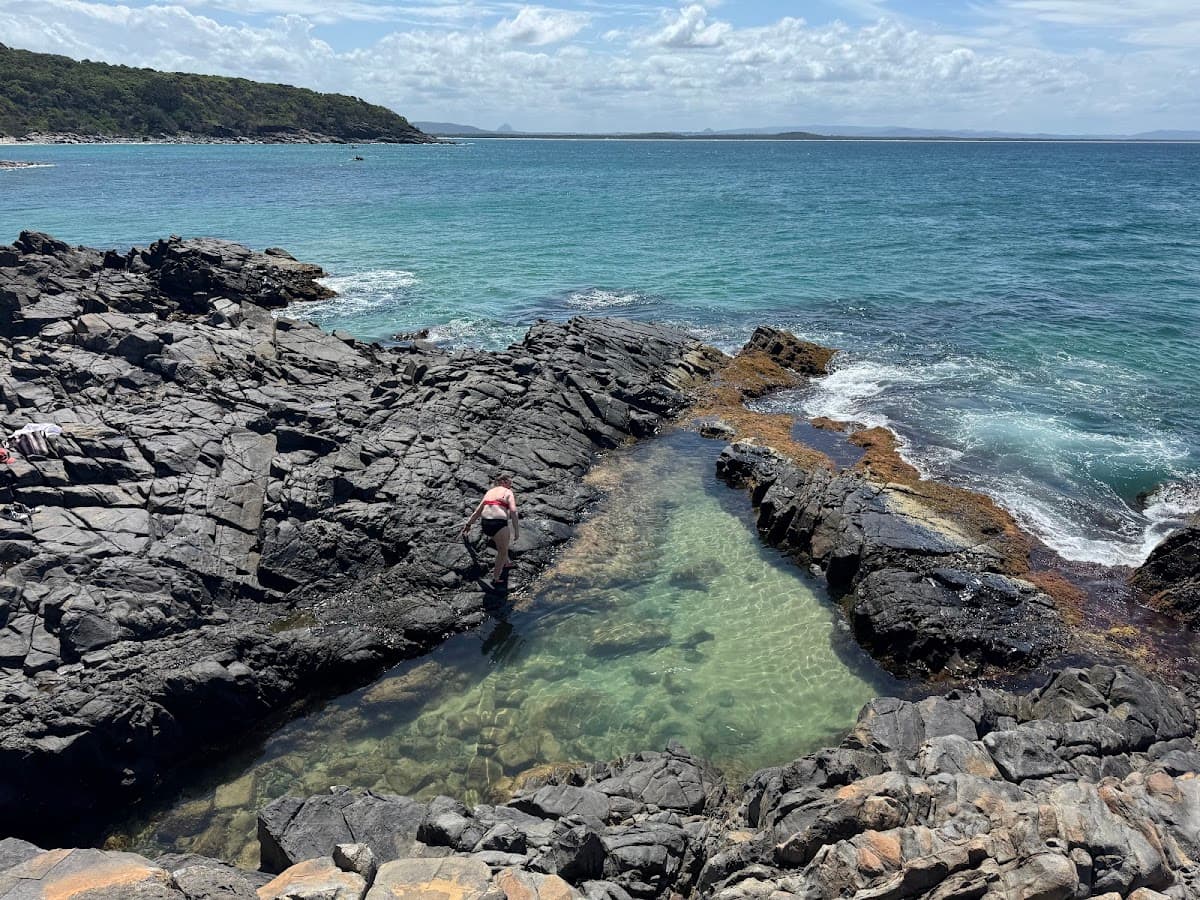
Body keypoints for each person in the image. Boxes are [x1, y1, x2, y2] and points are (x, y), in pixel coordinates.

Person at [462, 474, 520, 586]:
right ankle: (496, 578)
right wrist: (516, 530)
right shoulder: (507, 492)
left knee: (502, 545)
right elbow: (513, 511)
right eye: (509, 483)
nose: (511, 485)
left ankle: (506, 563)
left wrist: (468, 524)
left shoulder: (489, 492)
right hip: (498, 524)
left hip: (486, 524)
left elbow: (477, 512)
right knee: (502, 551)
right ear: (503, 482)